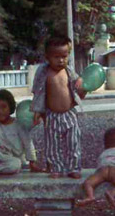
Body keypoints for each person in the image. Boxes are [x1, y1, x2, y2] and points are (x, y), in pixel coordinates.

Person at [30, 36, 86, 179]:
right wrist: (37, 110)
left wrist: (80, 81)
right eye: (56, 57)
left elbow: (77, 82)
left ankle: (74, 167)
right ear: (47, 57)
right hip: (51, 114)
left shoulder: (68, 71)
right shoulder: (44, 72)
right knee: (52, 144)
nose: (61, 60)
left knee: (73, 141)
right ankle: (56, 167)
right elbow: (38, 91)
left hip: (69, 113)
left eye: (64, 56)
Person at [0, 89, 44, 175]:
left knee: (16, 164)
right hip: (0, 157)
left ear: (10, 106)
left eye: (4, 107)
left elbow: (28, 143)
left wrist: (32, 162)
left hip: (15, 160)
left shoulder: (19, 124)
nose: (0, 111)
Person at [77, 128, 115, 208]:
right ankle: (112, 193)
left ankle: (90, 196)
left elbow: (99, 163)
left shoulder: (104, 153)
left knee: (88, 183)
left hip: (103, 170)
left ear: (105, 144)